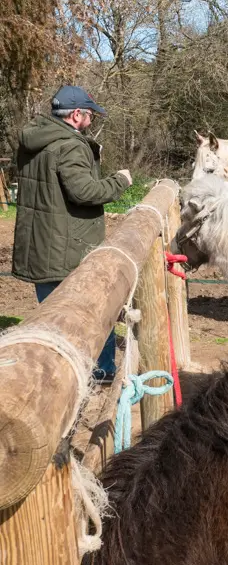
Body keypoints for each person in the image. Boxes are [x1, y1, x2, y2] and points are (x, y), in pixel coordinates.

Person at [12, 85, 132, 382]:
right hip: (71, 245)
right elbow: (85, 191)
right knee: (96, 308)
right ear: (76, 115)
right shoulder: (71, 145)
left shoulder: (34, 141)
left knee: (52, 315)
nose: (92, 119)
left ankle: (58, 372)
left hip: (40, 244)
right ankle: (101, 369)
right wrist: (120, 181)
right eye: (90, 114)